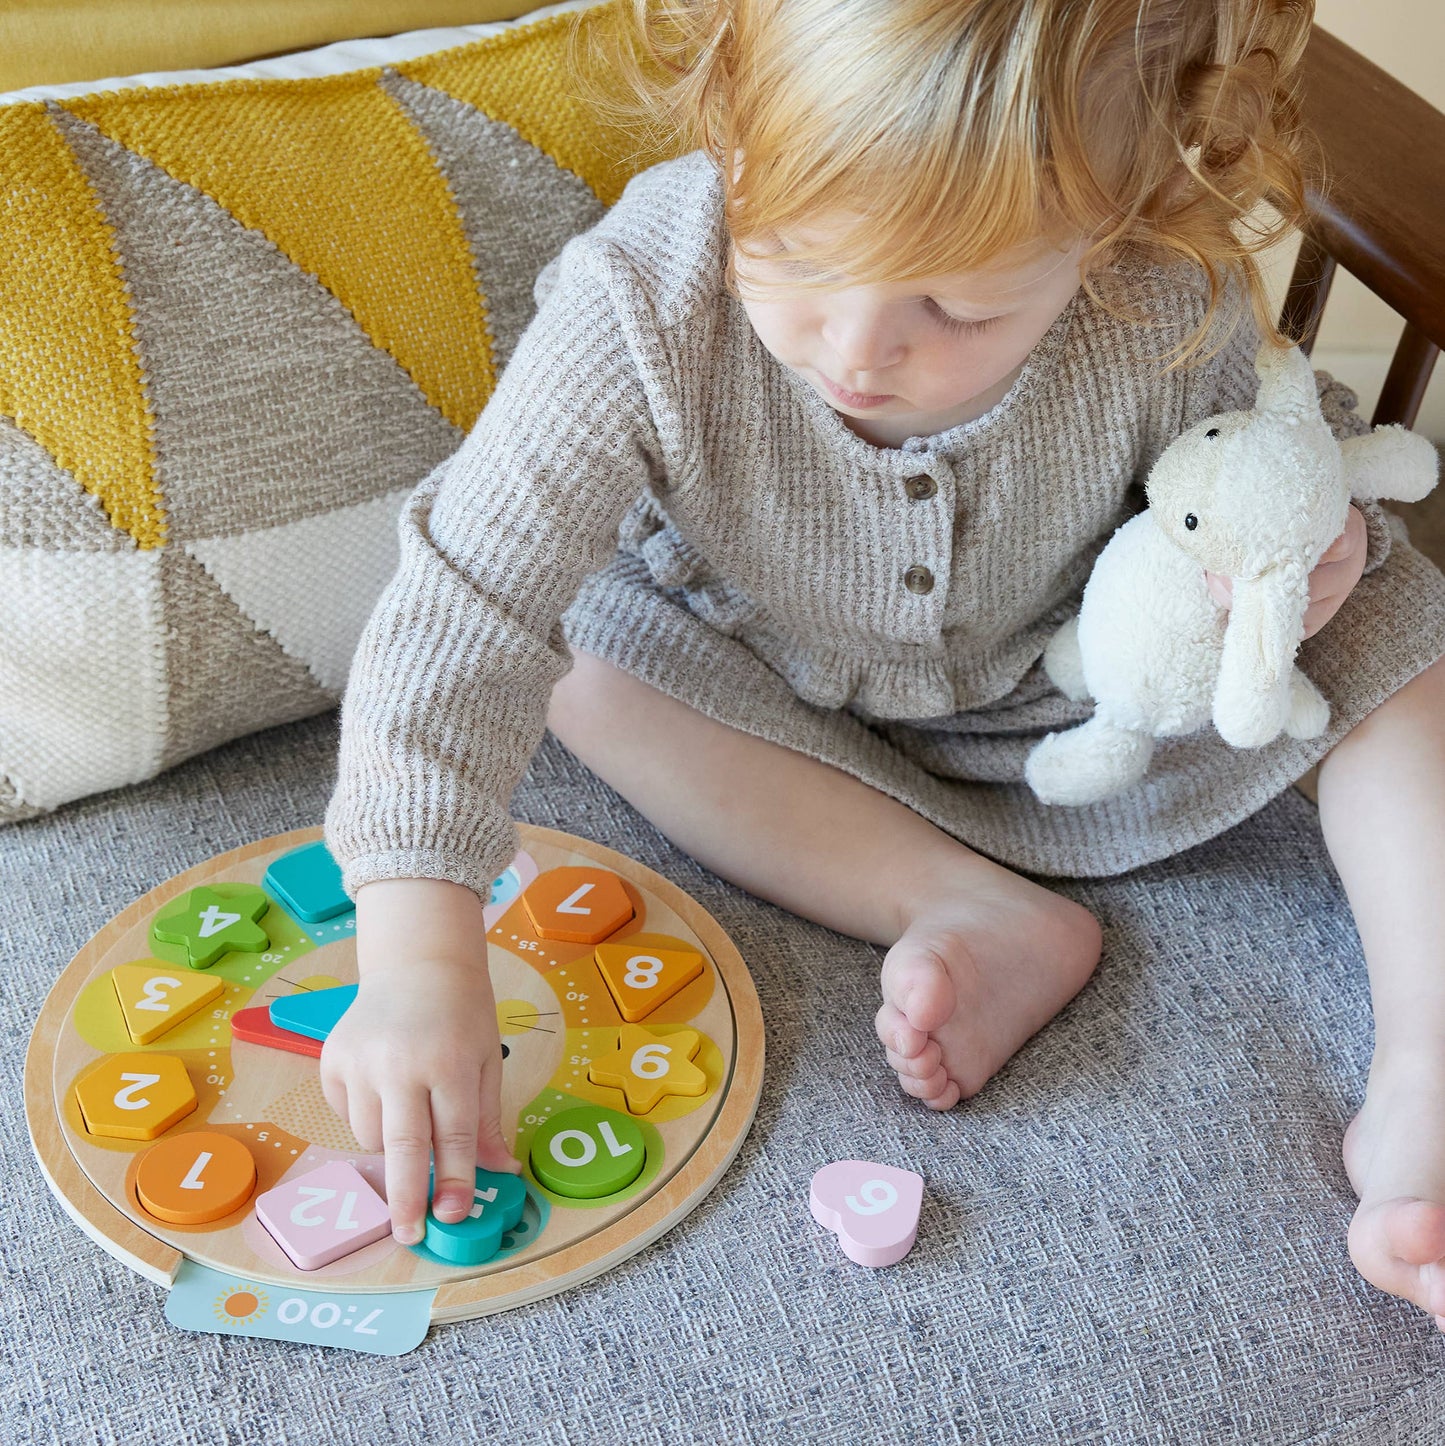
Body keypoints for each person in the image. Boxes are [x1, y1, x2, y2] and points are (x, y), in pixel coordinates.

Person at [323, 0, 1445, 1327]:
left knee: (1396, 622)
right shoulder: (640, 296)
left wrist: (1306, 548)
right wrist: (417, 955)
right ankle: (957, 899)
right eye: (786, 248)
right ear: (727, 129)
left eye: (957, 303)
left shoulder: (1161, 294)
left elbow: (1271, 442)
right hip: (752, 682)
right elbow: (467, 601)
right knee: (578, 659)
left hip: (1079, 687)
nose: (855, 348)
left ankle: (1429, 1057)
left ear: (1115, 217)